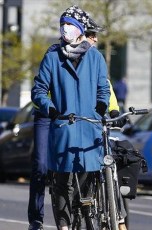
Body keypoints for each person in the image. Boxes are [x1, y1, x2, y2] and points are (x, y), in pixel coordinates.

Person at [27, 14, 123, 230]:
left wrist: (102, 105)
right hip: (62, 125)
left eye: (70, 25)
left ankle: (85, 213)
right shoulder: (52, 57)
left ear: (80, 28)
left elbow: (104, 87)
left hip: (89, 125)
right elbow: (39, 90)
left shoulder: (96, 58)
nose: (65, 29)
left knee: (88, 174)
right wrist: (50, 108)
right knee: (58, 177)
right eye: (63, 25)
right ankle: (56, 223)